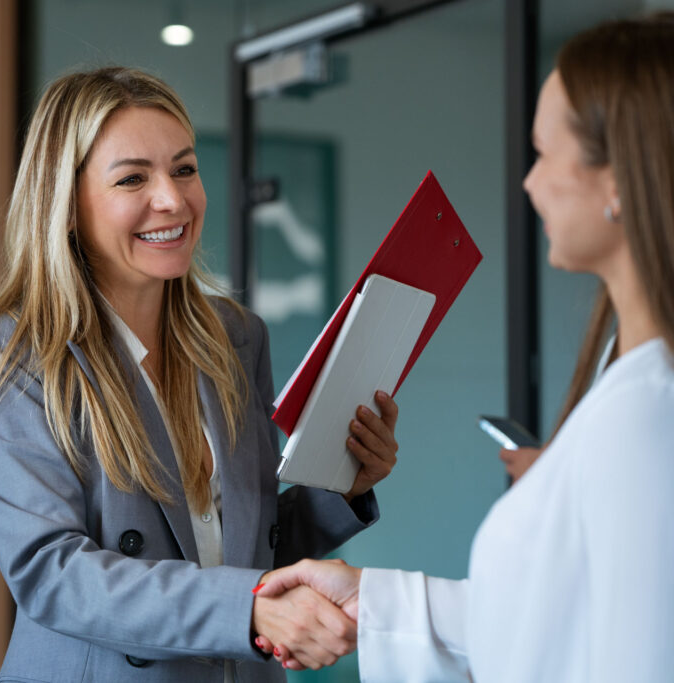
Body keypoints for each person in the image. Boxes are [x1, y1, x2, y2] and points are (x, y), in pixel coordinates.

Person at [254, 13, 674, 682]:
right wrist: (372, 599)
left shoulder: (648, 413)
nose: (529, 183)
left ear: (618, 175)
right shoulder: (629, 383)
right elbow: (549, 623)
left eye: (543, 154)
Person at [0, 66, 401, 682]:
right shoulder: (19, 353)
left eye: (185, 169)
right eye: (132, 177)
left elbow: (247, 545)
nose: (172, 199)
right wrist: (247, 612)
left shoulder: (236, 337)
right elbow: (51, 573)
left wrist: (342, 489)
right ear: (65, 204)